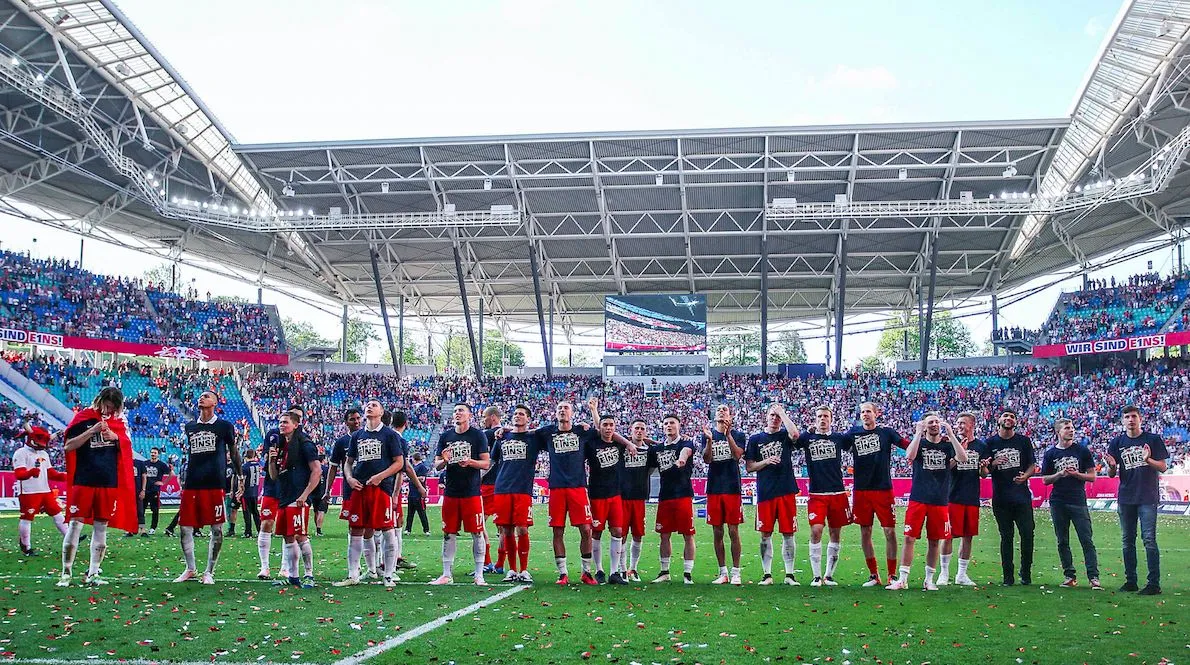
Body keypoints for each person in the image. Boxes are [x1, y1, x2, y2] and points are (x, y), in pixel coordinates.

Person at [59, 387, 138, 587]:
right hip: (84, 479)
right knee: (75, 524)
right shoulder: (84, 417)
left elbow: (127, 449)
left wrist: (116, 438)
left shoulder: (119, 422)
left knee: (101, 526)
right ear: (99, 401)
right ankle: (66, 573)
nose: (108, 411)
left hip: (107, 481)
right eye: (106, 406)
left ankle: (93, 572)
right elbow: (68, 446)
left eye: (113, 408)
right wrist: (91, 431)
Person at [886, 413, 967, 591]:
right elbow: (910, 455)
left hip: (939, 500)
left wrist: (951, 434)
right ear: (925, 425)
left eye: (937, 421)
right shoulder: (920, 443)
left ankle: (929, 579)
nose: (934, 424)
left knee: (934, 541)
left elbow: (962, 458)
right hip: (918, 498)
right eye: (930, 422)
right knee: (909, 538)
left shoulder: (947, 445)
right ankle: (903, 579)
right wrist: (918, 433)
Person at [174, 391, 242, 585]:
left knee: (216, 528)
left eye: (206, 396)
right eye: (200, 396)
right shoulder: (190, 427)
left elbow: (234, 452)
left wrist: (240, 476)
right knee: (185, 527)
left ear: (215, 402)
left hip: (214, 483)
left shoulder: (224, 426)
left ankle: (209, 572)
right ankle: (190, 568)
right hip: (192, 483)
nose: (201, 398)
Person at [336, 400, 404, 588]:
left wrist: (380, 477)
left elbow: (399, 463)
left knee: (387, 530)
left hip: (381, 489)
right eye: (368, 404)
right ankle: (353, 574)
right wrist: (349, 478)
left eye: (374, 404)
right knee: (356, 529)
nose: (369, 406)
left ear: (381, 412)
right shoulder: (357, 436)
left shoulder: (390, 435)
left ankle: (388, 575)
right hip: (359, 488)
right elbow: (348, 462)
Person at [534, 399, 601, 585]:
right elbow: (525, 432)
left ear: (572, 413)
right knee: (558, 530)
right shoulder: (547, 432)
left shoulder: (581, 431)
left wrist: (594, 410)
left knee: (586, 530)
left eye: (566, 408)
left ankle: (586, 572)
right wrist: (504, 429)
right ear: (555, 413)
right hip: (556, 488)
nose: (562, 410)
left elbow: (601, 429)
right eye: (559, 408)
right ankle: (562, 573)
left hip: (578, 487)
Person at [1105, 405, 1168, 595]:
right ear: (1122, 421)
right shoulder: (1117, 442)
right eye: (1127, 417)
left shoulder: (1152, 439)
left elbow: (1163, 467)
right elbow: (1110, 474)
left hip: (1147, 496)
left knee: (1149, 539)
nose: (1130, 420)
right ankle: (1130, 581)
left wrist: (1148, 459)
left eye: (1134, 416)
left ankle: (1153, 584)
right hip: (1126, 497)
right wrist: (1112, 466)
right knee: (1127, 540)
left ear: (1140, 419)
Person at [843, 402, 907, 586]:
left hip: (883, 489)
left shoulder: (886, 433)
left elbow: (907, 445)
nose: (865, 414)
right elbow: (834, 441)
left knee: (889, 531)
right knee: (865, 532)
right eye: (862, 412)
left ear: (876, 414)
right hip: (862, 490)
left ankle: (892, 575)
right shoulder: (853, 434)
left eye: (868, 411)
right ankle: (873, 575)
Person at [430, 403, 491, 585]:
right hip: (451, 492)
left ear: (469, 415)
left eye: (461, 410)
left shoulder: (477, 435)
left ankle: (479, 574)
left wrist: (470, 462)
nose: (457, 413)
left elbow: (486, 463)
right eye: (456, 411)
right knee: (449, 533)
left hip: (471, 492)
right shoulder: (445, 436)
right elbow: (437, 465)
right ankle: (446, 574)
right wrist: (444, 461)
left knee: (477, 532)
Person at [796, 406, 853, 587]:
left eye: (826, 416)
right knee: (816, 530)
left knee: (835, 533)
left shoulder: (838, 438)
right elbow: (794, 439)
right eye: (819, 416)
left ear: (831, 419)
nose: (822, 419)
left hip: (837, 492)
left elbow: (854, 444)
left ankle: (828, 576)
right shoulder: (808, 438)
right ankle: (816, 575)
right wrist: (807, 431)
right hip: (817, 493)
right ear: (815, 419)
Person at [745, 404, 802, 585]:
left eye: (777, 416)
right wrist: (766, 461)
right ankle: (767, 574)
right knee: (765, 534)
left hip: (786, 490)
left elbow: (795, 434)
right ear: (766, 416)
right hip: (766, 492)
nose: (775, 418)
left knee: (789, 533)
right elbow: (749, 467)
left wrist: (782, 413)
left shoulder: (785, 435)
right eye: (772, 415)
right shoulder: (756, 439)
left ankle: (790, 575)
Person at [1041, 418, 1101, 590]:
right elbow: (1045, 480)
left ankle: (1093, 577)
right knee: (1062, 541)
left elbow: (1092, 476)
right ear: (1058, 432)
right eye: (1067, 428)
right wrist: (1059, 474)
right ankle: (1069, 575)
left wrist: (1076, 474)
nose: (1071, 430)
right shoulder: (1050, 454)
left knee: (1086, 539)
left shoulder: (1082, 451)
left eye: (1072, 428)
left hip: (1078, 500)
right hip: (1058, 501)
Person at [268, 409, 321, 588]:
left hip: (298, 496)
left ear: (296, 425)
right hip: (284, 495)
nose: (281, 425)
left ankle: (309, 575)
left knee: (300, 535)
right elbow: (274, 476)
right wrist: (271, 461)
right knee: (288, 537)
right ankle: (293, 576)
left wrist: (305, 494)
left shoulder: (305, 443)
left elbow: (317, 470)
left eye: (285, 422)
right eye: (280, 422)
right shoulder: (280, 445)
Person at [491, 405, 541, 583]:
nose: (517, 416)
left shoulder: (533, 438)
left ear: (528, 419)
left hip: (523, 489)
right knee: (506, 529)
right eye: (515, 414)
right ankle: (512, 569)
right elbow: (493, 460)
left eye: (521, 414)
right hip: (502, 488)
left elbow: (549, 431)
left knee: (522, 528)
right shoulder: (502, 437)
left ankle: (524, 569)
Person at [986, 408, 1036, 586]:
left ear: (1016, 422)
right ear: (998, 420)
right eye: (1005, 416)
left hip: (1022, 497)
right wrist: (993, 463)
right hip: (1001, 498)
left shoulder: (1023, 441)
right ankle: (1008, 576)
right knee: (1006, 537)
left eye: (1012, 416)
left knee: (1027, 534)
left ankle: (1026, 572)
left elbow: (1032, 465)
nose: (1009, 418)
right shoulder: (990, 442)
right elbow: (984, 471)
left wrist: (1025, 476)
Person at [941, 411, 988, 586]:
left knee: (968, 536)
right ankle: (944, 573)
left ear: (972, 425)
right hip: (953, 495)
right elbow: (946, 468)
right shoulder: (950, 444)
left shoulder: (981, 446)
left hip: (972, 496)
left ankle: (961, 574)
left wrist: (983, 468)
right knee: (948, 535)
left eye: (963, 423)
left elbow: (984, 474)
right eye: (958, 423)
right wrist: (959, 453)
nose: (959, 426)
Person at [258, 404, 304, 580]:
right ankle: (264, 567)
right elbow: (265, 455)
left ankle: (285, 567)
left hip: (291, 487)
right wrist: (270, 457)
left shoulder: (302, 440)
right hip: (272, 484)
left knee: (289, 529)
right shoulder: (273, 435)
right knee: (266, 523)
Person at [649, 414, 696, 584]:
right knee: (664, 535)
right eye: (666, 423)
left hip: (683, 494)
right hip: (665, 496)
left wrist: (681, 460)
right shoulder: (657, 449)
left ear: (679, 425)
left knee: (688, 534)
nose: (669, 425)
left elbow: (685, 452)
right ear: (663, 427)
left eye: (672, 423)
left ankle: (687, 573)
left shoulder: (686, 443)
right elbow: (649, 462)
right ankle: (664, 572)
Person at [701, 405, 746, 586]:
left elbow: (737, 456)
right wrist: (709, 441)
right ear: (714, 416)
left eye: (725, 410)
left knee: (733, 531)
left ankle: (736, 572)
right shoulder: (708, 435)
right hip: (714, 489)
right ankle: (723, 572)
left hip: (732, 488)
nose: (721, 411)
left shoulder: (739, 435)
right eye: (719, 410)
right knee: (717, 531)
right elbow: (707, 459)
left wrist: (728, 435)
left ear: (730, 416)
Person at [13, 425, 69, 555]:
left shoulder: (43, 453)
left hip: (45, 490)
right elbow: (19, 474)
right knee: (27, 518)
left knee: (57, 513)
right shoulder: (21, 453)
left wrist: (66, 476)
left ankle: (69, 538)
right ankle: (26, 546)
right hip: (28, 491)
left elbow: (51, 473)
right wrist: (31, 472)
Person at [587, 415, 628, 584]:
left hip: (615, 494)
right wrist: (594, 411)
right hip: (597, 495)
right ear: (600, 427)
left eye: (611, 425)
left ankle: (614, 572)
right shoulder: (591, 444)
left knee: (617, 531)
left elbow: (635, 441)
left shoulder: (619, 444)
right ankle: (599, 570)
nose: (608, 428)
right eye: (605, 425)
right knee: (596, 532)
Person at [327, 409, 367, 577]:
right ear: (346, 422)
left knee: (373, 527)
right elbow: (333, 467)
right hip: (351, 489)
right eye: (352, 419)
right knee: (354, 526)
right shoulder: (341, 442)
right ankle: (355, 567)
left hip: (370, 487)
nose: (356, 421)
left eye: (358, 418)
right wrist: (327, 490)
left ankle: (374, 566)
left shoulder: (369, 438)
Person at [388, 410, 425, 572]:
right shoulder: (398, 439)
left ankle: (389, 560)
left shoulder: (385, 436)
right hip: (389, 488)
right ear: (406, 424)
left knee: (390, 525)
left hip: (381, 486)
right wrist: (397, 493)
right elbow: (403, 468)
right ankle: (390, 561)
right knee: (392, 526)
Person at [619, 419, 652, 582]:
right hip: (623, 497)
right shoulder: (622, 447)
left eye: (642, 428)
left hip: (640, 497)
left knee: (638, 535)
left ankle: (633, 568)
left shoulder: (649, 451)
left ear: (646, 432)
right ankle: (622, 569)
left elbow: (651, 469)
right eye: (636, 428)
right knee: (622, 535)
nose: (639, 431)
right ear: (630, 430)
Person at [479, 406, 503, 575]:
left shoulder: (486, 435)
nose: (483, 420)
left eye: (485, 417)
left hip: (487, 484)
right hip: (504, 484)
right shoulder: (507, 433)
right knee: (503, 526)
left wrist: (478, 477)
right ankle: (500, 564)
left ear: (493, 417)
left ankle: (487, 562)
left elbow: (487, 461)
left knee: (479, 523)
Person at [141, 447, 170, 536]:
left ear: (158, 454)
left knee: (155, 510)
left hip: (154, 490)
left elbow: (171, 474)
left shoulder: (161, 465)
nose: (153, 454)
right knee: (141, 510)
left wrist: (163, 483)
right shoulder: (145, 463)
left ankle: (153, 528)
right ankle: (142, 528)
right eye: (152, 452)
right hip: (145, 489)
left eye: (155, 453)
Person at [406, 453, 431, 535]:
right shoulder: (413, 467)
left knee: (421, 512)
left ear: (414, 458)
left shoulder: (422, 467)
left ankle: (426, 529)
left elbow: (422, 478)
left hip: (418, 494)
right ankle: (408, 529)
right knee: (410, 513)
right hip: (412, 493)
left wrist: (412, 478)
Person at [240, 448, 261, 538]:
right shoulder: (257, 465)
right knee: (255, 512)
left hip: (247, 492)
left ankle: (248, 532)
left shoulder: (245, 467)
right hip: (255, 491)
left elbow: (243, 480)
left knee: (247, 512)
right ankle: (260, 530)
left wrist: (240, 491)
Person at [129, 456, 145, 539]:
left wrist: (143, 490)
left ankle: (143, 530)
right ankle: (131, 529)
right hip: (128, 491)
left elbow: (144, 477)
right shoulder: (124, 463)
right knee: (129, 511)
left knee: (140, 510)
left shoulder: (140, 463)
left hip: (138, 490)